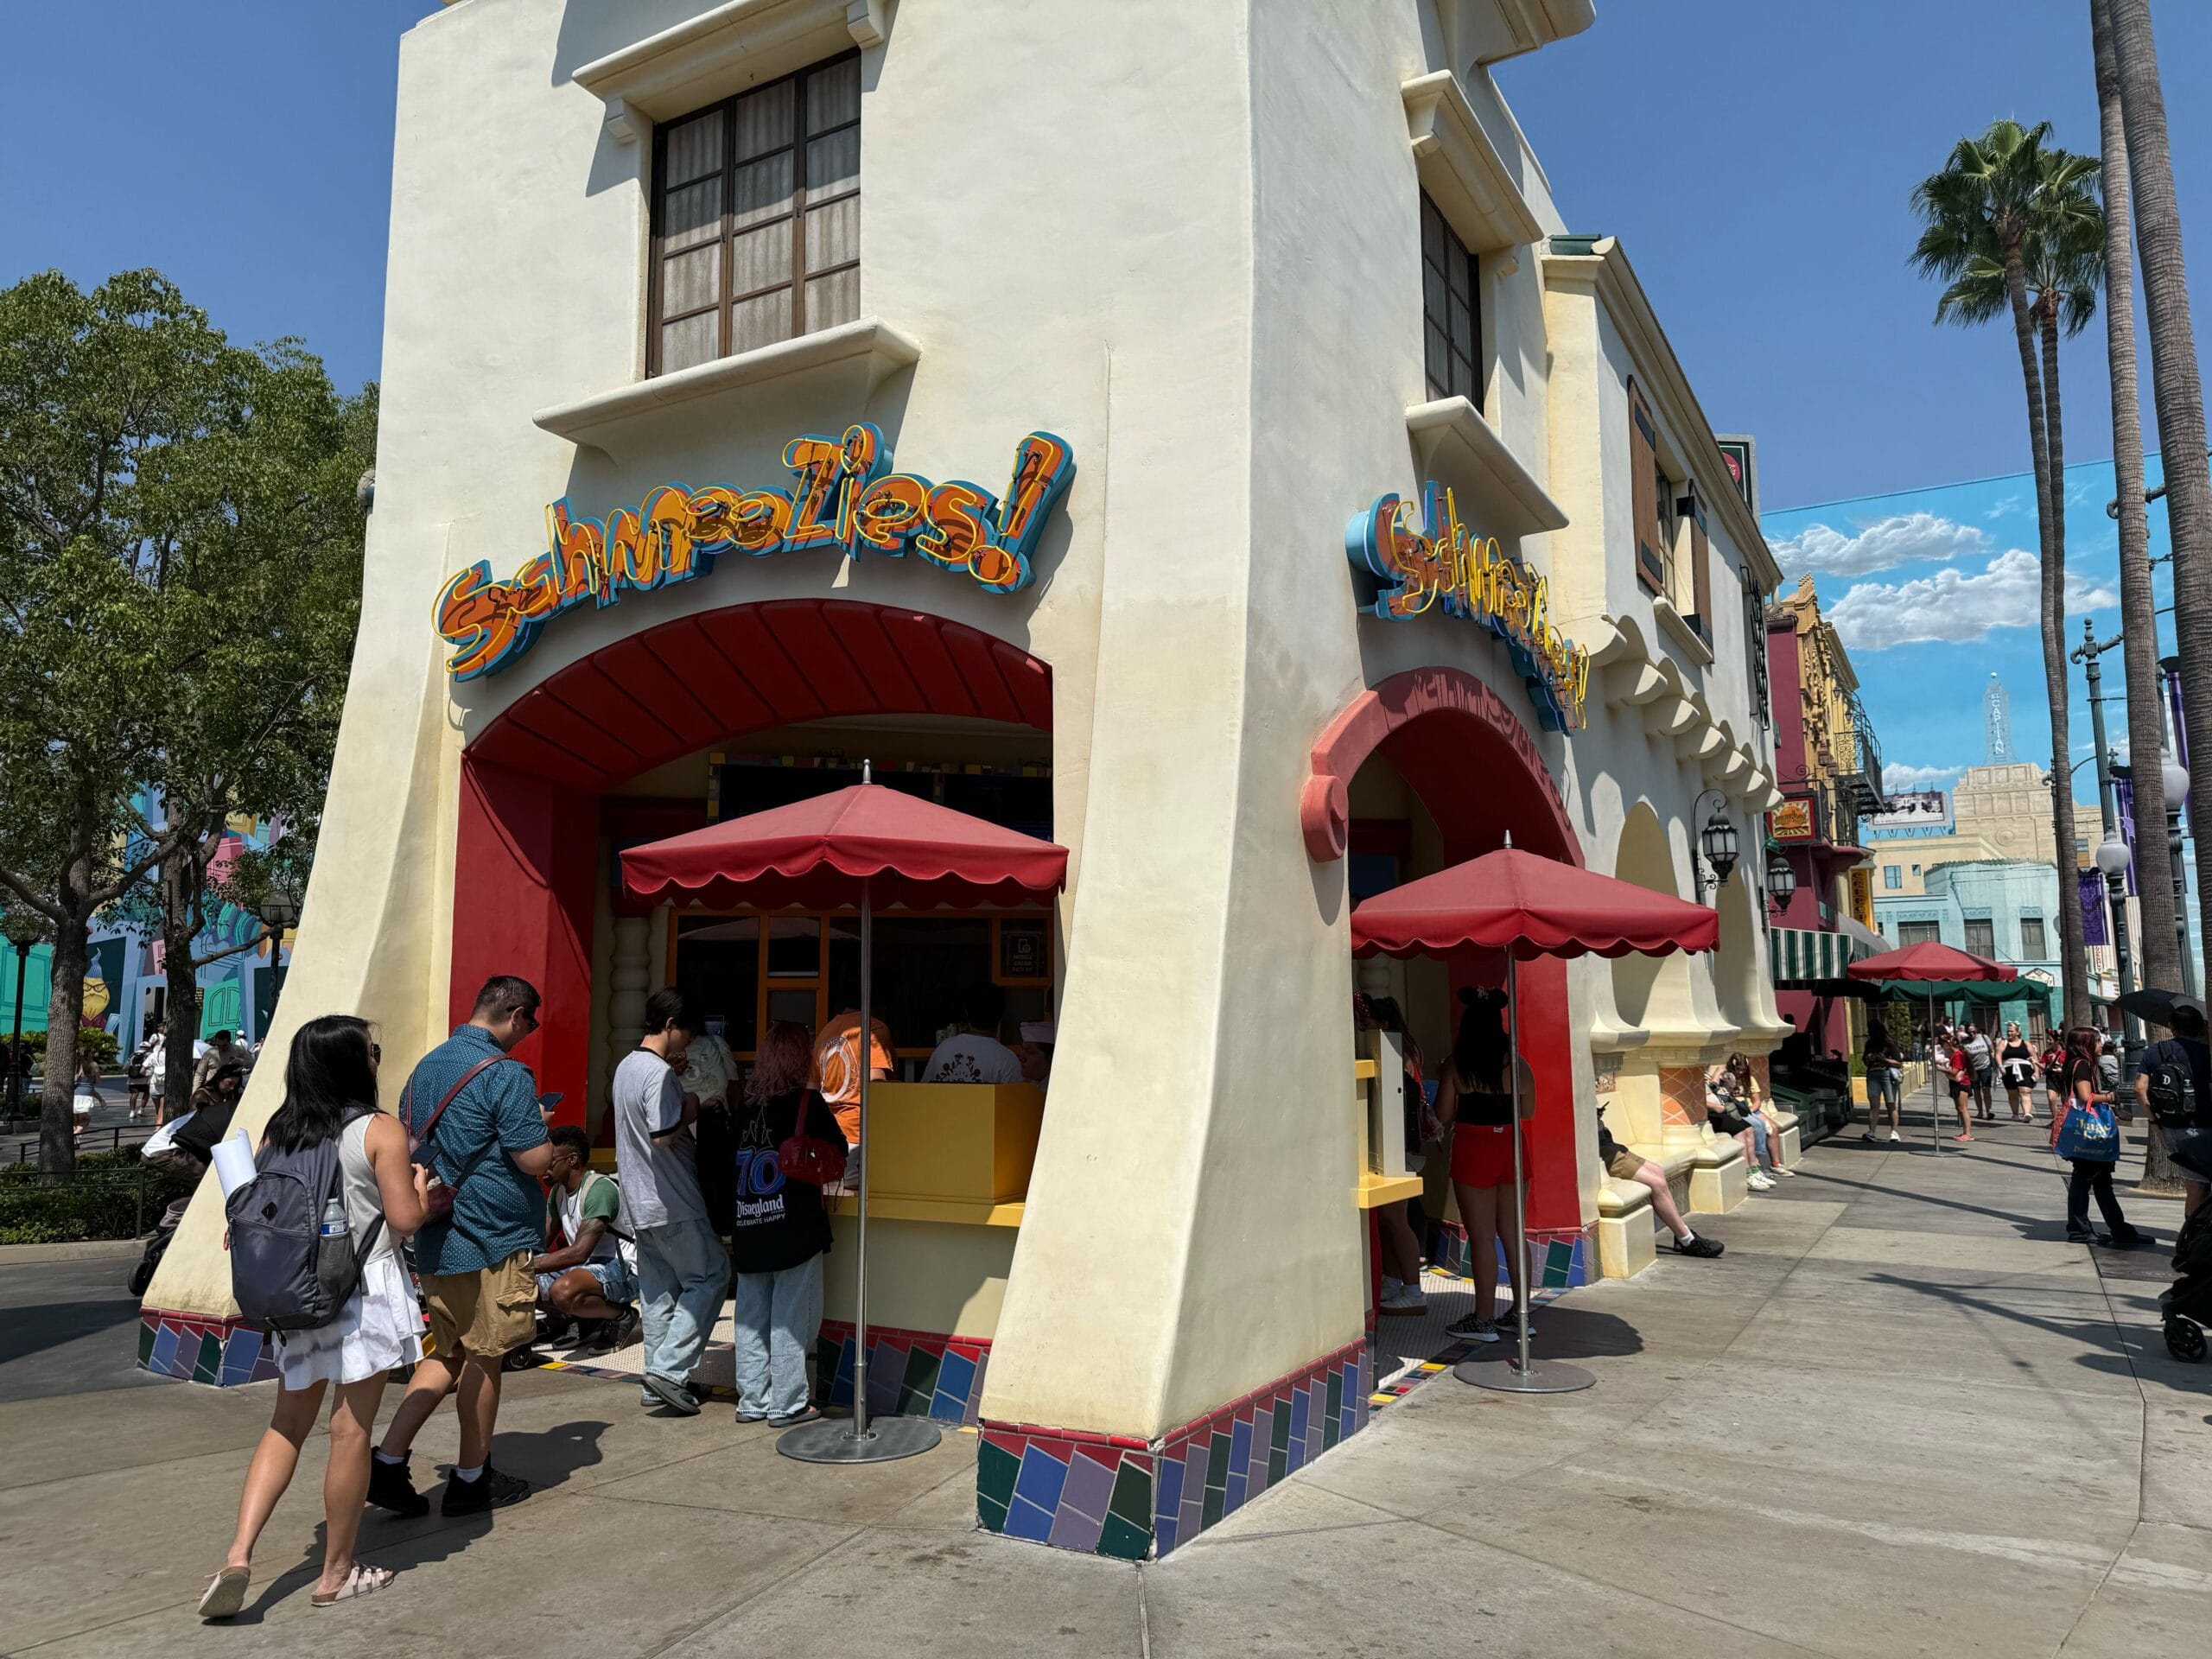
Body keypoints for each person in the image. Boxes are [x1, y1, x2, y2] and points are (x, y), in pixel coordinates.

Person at [199, 1014, 432, 1618]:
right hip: (364, 1294)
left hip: (301, 1294)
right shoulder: (380, 1129)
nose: (378, 1057)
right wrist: (423, 1192)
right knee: (351, 1432)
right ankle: (335, 1573)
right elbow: (404, 1221)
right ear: (352, 1063)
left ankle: (238, 1555)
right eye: (372, 1050)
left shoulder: (282, 1132)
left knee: (285, 1427)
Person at [368, 976, 553, 1518]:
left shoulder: (425, 1068)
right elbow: (534, 1160)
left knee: (448, 1353)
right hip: (491, 1235)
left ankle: (387, 1459)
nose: (529, 1034)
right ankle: (472, 1479)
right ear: (517, 1015)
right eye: (531, 1024)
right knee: (486, 1357)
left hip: (437, 1232)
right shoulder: (507, 1074)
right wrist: (539, 1126)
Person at [613, 987, 727, 1416]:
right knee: (711, 1276)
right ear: (671, 1026)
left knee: (659, 1295)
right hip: (674, 1197)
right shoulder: (657, 1074)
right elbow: (662, 1135)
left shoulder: (627, 1067)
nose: (690, 1043)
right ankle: (670, 1371)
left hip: (639, 1202)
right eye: (688, 1034)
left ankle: (655, 1380)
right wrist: (693, 1104)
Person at [728, 1021, 843, 1425]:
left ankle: (752, 1400)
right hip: (794, 1225)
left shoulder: (745, 1105)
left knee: (750, 1319)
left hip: (748, 1222)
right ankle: (789, 1403)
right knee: (793, 1317)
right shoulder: (806, 1104)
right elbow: (840, 1150)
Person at [1437, 988, 1536, 1343]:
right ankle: (1521, 1313)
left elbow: (1443, 1115)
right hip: (1511, 1146)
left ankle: (1483, 1319)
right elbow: (1527, 1111)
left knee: (1481, 1237)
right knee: (1513, 1234)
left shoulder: (1456, 1065)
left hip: (1474, 1147)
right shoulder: (1518, 1063)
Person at [530, 1125, 640, 1352]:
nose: (543, 1167)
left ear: (572, 1160)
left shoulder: (599, 1189)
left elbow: (580, 1252)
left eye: (550, 1161)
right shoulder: (558, 1193)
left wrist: (529, 1265)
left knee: (563, 1291)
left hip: (624, 1270)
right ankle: (584, 1318)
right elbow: (541, 1241)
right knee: (520, 1283)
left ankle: (620, 1315)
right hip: (588, 1268)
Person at [1361, 995, 1436, 1315]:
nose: (1362, 1030)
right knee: (1388, 1221)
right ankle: (1394, 1280)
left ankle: (1413, 1289)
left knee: (1396, 1220)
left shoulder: (1397, 1054)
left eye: (1367, 1025)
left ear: (1383, 1024)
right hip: (1399, 1144)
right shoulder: (1407, 1049)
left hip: (1399, 1145)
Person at [2053, 1025, 2147, 1249]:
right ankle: (2082, 1230)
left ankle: (2115, 1228)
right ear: (2085, 1044)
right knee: (2088, 1181)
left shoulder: (2074, 1064)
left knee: (2095, 1181)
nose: (2100, 1045)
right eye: (2096, 1041)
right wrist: (2110, 1097)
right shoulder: (2082, 1065)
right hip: (2089, 1135)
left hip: (2082, 1134)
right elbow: (2086, 1097)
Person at [1597, 1105, 1723, 1257]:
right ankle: (1687, 1240)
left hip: (1607, 1141)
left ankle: (1680, 1233)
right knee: (1656, 1183)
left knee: (1658, 1171)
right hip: (1601, 1150)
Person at [2136, 998, 2212, 1223]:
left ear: (2172, 1027)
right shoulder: (2206, 1054)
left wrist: (2154, 1123)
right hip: (2204, 1125)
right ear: (2201, 1027)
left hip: (2172, 1128)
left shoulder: (2155, 1051)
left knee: (2195, 1187)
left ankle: (2191, 1236)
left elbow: (2140, 1090)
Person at [812, 1001, 893, 1185]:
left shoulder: (825, 1032)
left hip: (828, 1141)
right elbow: (877, 1086)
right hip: (859, 1139)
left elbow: (811, 1091)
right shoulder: (873, 1028)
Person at [922, 985, 1024, 1084]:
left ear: (967, 1013)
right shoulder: (1007, 1060)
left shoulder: (943, 1050)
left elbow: (924, 1093)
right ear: (1001, 1016)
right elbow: (1016, 1100)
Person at [1703, 1065, 1773, 1190]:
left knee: (1749, 1128)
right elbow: (1703, 1096)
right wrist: (1716, 1107)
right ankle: (1746, 1173)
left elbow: (1716, 1089)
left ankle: (1754, 1167)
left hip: (1722, 1109)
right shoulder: (1694, 1076)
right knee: (1740, 1130)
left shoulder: (1703, 1075)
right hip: (1709, 1114)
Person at [1726, 1052, 1790, 1179]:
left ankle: (1776, 1163)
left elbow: (1757, 1101)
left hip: (1750, 1108)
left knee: (1773, 1128)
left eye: (1743, 1070)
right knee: (1758, 1126)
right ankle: (1756, 1162)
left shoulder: (1749, 1080)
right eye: (1738, 1069)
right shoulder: (1727, 1078)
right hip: (1737, 1109)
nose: (1740, 1072)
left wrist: (1751, 1110)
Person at [1862, 1021, 1904, 1143]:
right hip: (1873, 1073)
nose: (1869, 1033)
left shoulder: (1889, 1044)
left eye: (1871, 1030)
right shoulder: (1869, 1044)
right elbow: (1864, 1059)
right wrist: (1868, 1059)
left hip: (1886, 1074)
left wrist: (1883, 1059)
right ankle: (1872, 1132)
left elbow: (1899, 1062)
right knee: (1874, 1105)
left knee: (1890, 1104)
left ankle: (1894, 1132)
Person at [1997, 1021, 2038, 1124]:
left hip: (2025, 1070)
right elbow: (1998, 1054)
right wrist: (2000, 1066)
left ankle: (2027, 1113)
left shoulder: (2026, 1043)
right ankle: (2015, 1114)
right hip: (2009, 1070)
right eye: (2008, 1031)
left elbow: (2034, 1058)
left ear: (2018, 1032)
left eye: (2012, 1031)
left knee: (2025, 1091)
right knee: (2013, 1093)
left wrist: (2037, 1071)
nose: (2009, 1033)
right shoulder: (2003, 1043)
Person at [194, 1030, 250, 1094]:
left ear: (229, 1042)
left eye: (224, 1045)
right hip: (213, 1091)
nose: (221, 1048)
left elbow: (254, 1065)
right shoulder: (209, 1054)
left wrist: (241, 1062)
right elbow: (199, 1075)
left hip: (232, 1091)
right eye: (218, 1045)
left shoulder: (238, 1050)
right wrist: (195, 1093)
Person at [1960, 1022, 1995, 1122]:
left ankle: (1989, 1111)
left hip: (1985, 1066)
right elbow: (1963, 1056)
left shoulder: (1984, 1037)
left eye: (1973, 1031)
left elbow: (1992, 1050)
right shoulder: (1964, 1042)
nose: (1972, 1034)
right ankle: (1980, 1111)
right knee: (1976, 1091)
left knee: (1986, 1089)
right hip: (1973, 1069)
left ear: (1976, 1030)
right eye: (1969, 1032)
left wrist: (1995, 1064)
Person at [1943, 1036, 1975, 1142]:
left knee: (1963, 1108)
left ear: (1951, 1044)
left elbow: (1954, 1071)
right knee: (1959, 1108)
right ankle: (1965, 1132)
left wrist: (1941, 1069)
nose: (1944, 1045)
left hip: (1962, 1084)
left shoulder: (1958, 1055)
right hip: (1957, 1083)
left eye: (1946, 1042)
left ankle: (1968, 1133)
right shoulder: (1955, 1054)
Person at [72, 1051, 102, 1141]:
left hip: (73, 1095)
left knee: (75, 1121)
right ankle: (76, 1133)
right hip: (86, 1096)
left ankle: (76, 1140)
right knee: (85, 1120)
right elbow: (97, 1081)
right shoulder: (93, 1065)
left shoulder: (75, 1065)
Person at [2040, 1033, 2070, 1122]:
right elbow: (2044, 1066)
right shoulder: (2047, 1053)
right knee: (2051, 1098)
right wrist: (2036, 1063)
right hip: (2051, 1077)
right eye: (2048, 1039)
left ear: (2057, 1041)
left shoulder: (2066, 1053)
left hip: (2063, 1078)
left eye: (2050, 1039)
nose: (2048, 1041)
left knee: (2065, 1100)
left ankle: (2065, 1120)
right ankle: (2056, 1120)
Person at [126, 1033, 156, 1122]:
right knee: (146, 1093)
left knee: (134, 1094)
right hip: (146, 1077)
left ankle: (132, 1111)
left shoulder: (132, 1055)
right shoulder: (150, 1054)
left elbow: (126, 1066)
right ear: (149, 1047)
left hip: (133, 1078)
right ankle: (141, 1109)